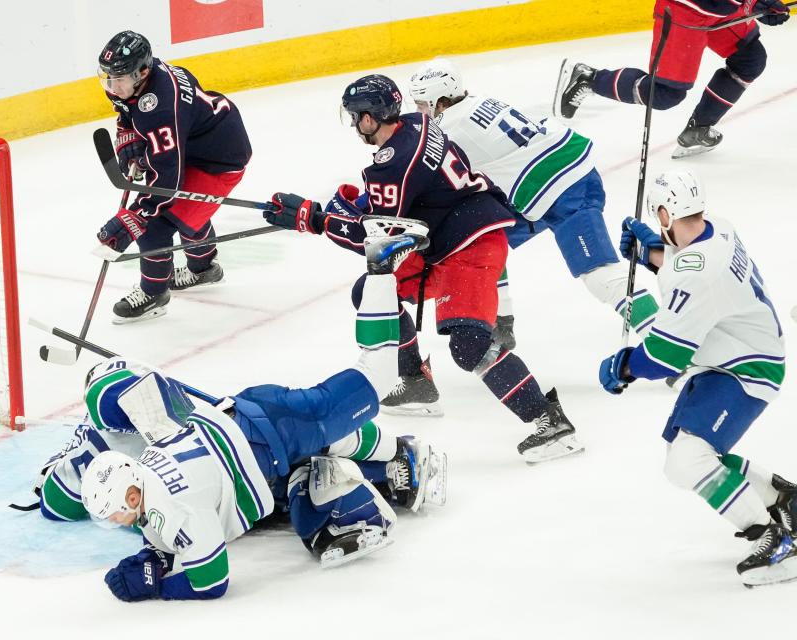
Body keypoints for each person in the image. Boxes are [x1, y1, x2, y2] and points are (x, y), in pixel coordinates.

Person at [38, 233, 449, 602]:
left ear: (130, 495)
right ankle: (390, 462)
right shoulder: (145, 468)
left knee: (376, 378)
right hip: (250, 420)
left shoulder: (173, 506)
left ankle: (379, 271)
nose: (113, 523)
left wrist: (158, 585)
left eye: (113, 516)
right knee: (309, 470)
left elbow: (211, 582)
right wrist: (155, 558)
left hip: (272, 429)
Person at [263, 74, 583, 463]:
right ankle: (415, 381)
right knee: (373, 292)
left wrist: (313, 220)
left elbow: (378, 239)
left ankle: (550, 422)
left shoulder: (392, 164)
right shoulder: (419, 123)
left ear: (370, 118)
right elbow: (396, 201)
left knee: (469, 347)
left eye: (356, 116)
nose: (354, 124)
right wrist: (335, 209)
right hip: (442, 236)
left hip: (471, 244)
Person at [599, 169, 797, 587]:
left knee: (689, 459)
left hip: (746, 368)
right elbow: (692, 269)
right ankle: (783, 498)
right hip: (732, 356)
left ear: (668, 213)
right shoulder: (718, 228)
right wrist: (652, 254)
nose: (658, 224)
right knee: (681, 462)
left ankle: (774, 541)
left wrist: (625, 366)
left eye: (659, 218)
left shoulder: (696, 270)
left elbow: (666, 357)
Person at [408, 58, 659, 352]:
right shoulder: (476, 102)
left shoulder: (451, 129)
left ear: (441, 101)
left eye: (423, 104)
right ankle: (501, 321)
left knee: (600, 275)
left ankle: (666, 341)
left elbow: (431, 180)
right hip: (547, 182)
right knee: (479, 236)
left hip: (565, 188)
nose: (419, 112)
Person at [94, 30, 252, 323]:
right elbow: (128, 109)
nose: (112, 86)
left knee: (155, 226)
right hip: (198, 141)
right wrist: (129, 134)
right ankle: (203, 268)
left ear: (142, 72)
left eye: (118, 79)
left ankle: (154, 293)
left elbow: (167, 180)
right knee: (187, 213)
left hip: (219, 160)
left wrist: (135, 217)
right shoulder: (140, 79)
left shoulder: (161, 108)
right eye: (107, 78)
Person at [554, 0, 790, 158]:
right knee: (665, 94)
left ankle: (698, 129)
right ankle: (589, 79)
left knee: (750, 58)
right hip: (685, 8)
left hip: (721, 7)